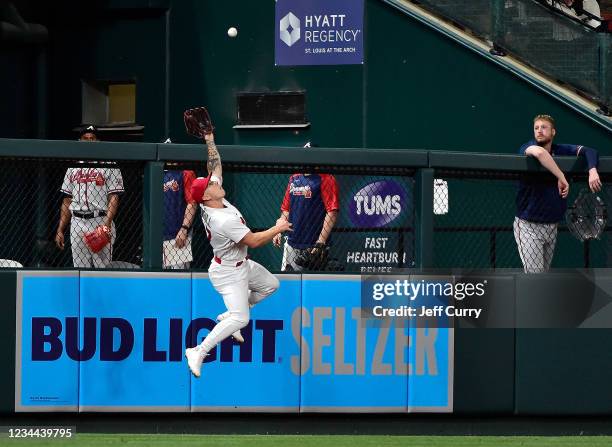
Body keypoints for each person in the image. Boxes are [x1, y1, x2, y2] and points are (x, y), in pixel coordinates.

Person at [184, 131, 292, 378]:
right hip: (227, 273)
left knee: (271, 285)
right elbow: (253, 241)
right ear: (206, 196)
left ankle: (231, 313)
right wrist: (278, 227)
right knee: (241, 319)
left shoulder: (213, 198)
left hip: (241, 265)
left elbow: (215, 165)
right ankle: (198, 350)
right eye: (211, 184)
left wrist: (210, 139)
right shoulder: (220, 219)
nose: (216, 182)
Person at [514, 114, 601, 273]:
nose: (539, 131)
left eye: (544, 127)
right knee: (535, 278)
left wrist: (592, 169)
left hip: (552, 225)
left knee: (544, 276)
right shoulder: (527, 147)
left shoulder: (561, 150)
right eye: (536, 128)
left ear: (553, 132)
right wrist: (561, 177)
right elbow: (540, 154)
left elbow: (590, 151)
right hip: (528, 226)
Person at [55, 126, 124, 268]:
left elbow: (114, 198)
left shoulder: (109, 164)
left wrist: (106, 224)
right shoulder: (73, 167)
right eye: (85, 138)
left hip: (100, 220)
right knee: (80, 269)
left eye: (92, 138)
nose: (89, 141)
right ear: (79, 141)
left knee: (103, 268)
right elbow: (67, 200)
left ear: (98, 141)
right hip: (77, 222)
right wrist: (60, 229)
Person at [272, 142, 339, 271]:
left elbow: (332, 212)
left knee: (316, 284)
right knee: (290, 281)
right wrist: (278, 230)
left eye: (308, 155)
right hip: (293, 241)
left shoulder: (326, 178)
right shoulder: (294, 178)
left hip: (314, 245)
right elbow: (286, 209)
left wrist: (320, 243)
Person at [162, 139, 198, 270]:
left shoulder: (186, 173)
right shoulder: (156, 172)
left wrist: (184, 229)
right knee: (158, 277)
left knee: (179, 276)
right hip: (158, 234)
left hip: (178, 234)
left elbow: (192, 203)